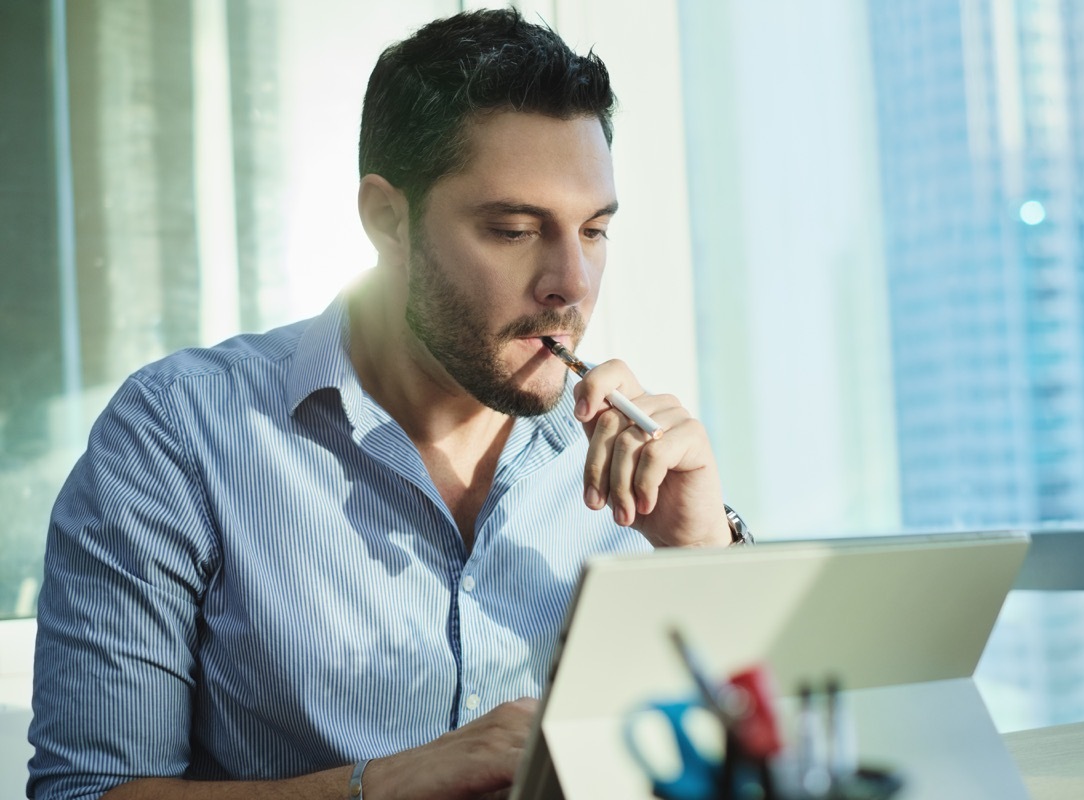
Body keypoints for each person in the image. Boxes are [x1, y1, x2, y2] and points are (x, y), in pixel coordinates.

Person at [28, 8, 744, 800]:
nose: (571, 284)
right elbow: (84, 794)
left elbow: (757, 765)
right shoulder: (176, 435)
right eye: (513, 229)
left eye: (595, 231)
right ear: (386, 219)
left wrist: (705, 554)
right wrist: (390, 784)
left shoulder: (638, 461)